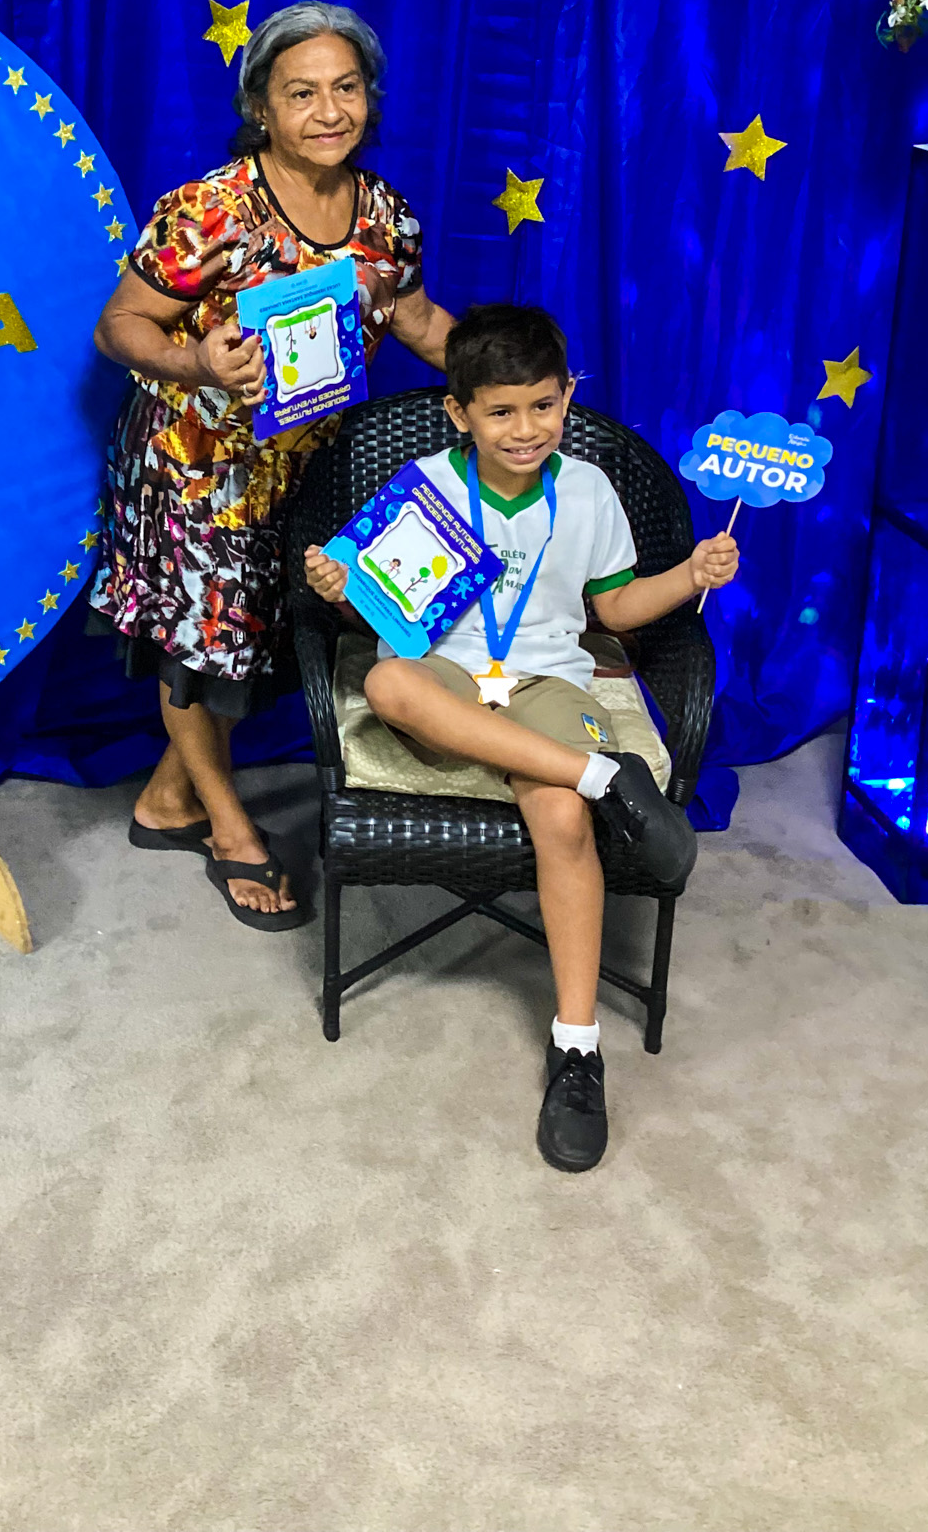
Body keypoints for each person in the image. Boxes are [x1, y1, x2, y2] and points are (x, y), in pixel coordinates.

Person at [303, 303, 738, 1171]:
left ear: (567, 397)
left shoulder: (590, 490)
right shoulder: (424, 483)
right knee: (387, 682)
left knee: (561, 817)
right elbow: (380, 604)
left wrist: (690, 575)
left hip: (546, 680)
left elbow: (616, 609)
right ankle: (604, 777)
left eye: (543, 405)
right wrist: (337, 589)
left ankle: (577, 1046)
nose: (526, 428)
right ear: (458, 412)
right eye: (500, 411)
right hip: (444, 675)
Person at [90, 2, 455, 930]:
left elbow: (416, 320)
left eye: (347, 88)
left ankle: (165, 799)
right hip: (195, 471)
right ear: (261, 107)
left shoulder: (385, 217)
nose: (329, 111)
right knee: (200, 649)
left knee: (252, 650)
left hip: (303, 472)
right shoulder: (208, 210)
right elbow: (119, 325)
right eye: (302, 93)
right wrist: (194, 359)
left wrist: (516, 377)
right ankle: (229, 831)